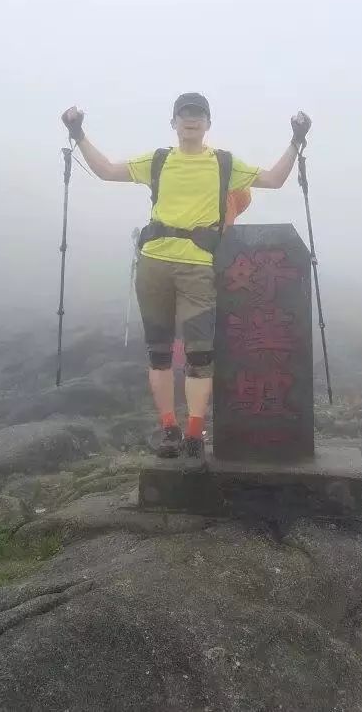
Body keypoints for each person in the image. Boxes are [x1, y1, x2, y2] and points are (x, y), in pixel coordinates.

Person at [61, 93, 311, 458]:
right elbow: (107, 171)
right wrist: (78, 132)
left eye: (198, 115)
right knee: (159, 352)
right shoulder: (159, 160)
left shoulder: (224, 163)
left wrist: (295, 141)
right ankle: (169, 429)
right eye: (184, 115)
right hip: (153, 263)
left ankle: (194, 431)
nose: (190, 121)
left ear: (208, 123)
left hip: (198, 267)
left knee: (199, 354)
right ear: (173, 123)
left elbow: (273, 180)